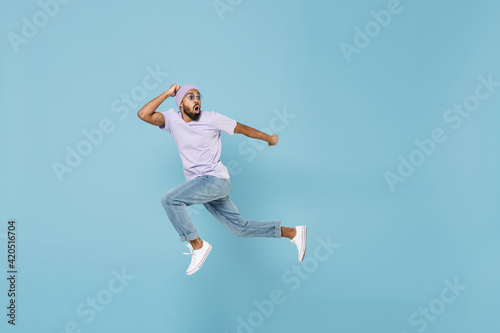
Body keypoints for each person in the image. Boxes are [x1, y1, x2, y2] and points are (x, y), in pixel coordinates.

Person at [137, 83, 307, 275]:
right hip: (202, 185)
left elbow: (241, 128)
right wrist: (167, 93)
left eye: (198, 96)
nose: (197, 100)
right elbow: (144, 114)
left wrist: (269, 138)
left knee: (169, 200)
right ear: (180, 104)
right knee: (239, 228)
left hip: (214, 180)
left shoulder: (211, 119)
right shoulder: (171, 119)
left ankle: (197, 245)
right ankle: (293, 232)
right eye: (190, 97)